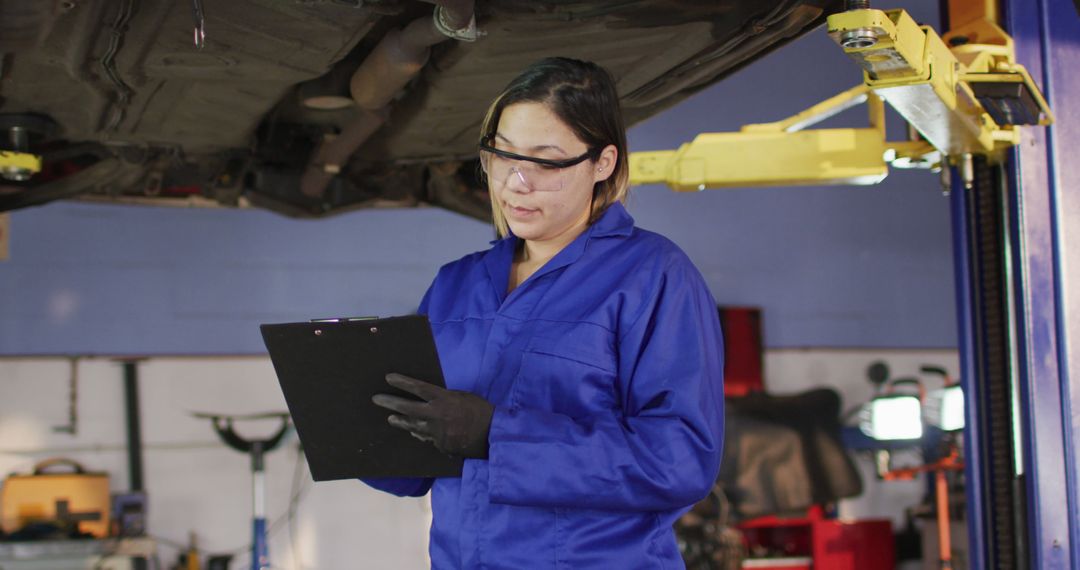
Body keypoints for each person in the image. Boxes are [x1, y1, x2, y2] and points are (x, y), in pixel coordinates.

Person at [367, 57, 725, 569]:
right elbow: (417, 466)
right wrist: (352, 423)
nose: (516, 182)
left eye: (546, 161)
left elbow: (680, 460)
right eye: (502, 155)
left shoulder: (653, 276)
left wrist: (496, 434)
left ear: (602, 163)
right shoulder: (456, 285)